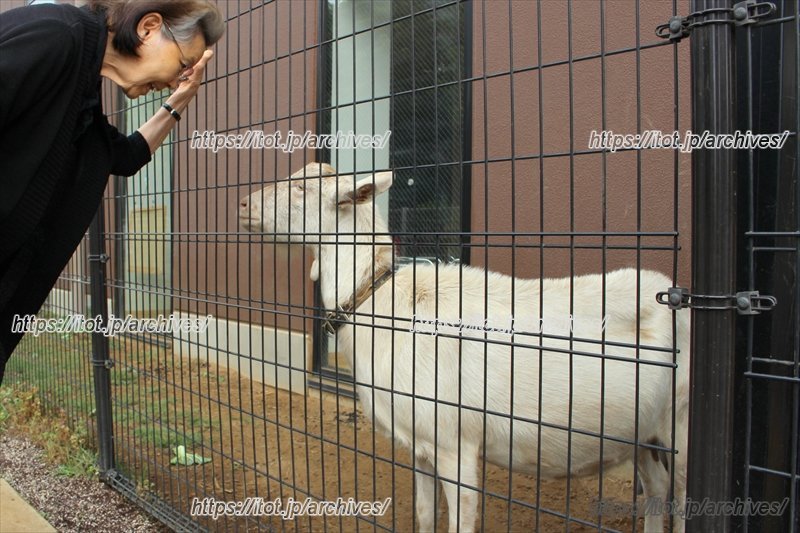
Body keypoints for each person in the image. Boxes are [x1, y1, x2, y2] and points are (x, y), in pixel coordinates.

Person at [0, 0, 224, 383]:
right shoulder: (58, 36)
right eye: (183, 65)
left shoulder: (81, 86)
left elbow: (123, 155)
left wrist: (181, 99)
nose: (177, 78)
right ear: (148, 27)